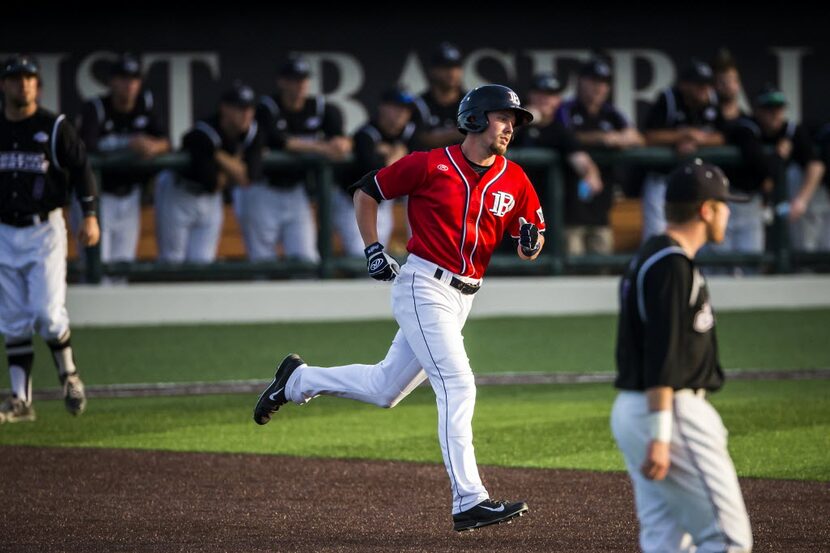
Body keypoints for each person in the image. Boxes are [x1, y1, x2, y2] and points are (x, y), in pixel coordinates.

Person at [253, 85, 545, 532]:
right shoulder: (431, 163)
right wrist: (372, 248)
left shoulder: (515, 178)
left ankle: (297, 381)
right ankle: (470, 499)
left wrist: (531, 242)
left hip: (464, 295)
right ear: (476, 118)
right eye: (504, 116)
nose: (511, 126)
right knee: (458, 385)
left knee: (384, 389)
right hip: (423, 285)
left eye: (514, 119)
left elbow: (534, 239)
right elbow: (366, 191)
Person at [611, 159, 753, 553]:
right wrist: (660, 435)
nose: (728, 212)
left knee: (667, 541)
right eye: (724, 205)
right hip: (671, 412)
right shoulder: (671, 265)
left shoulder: (651, 256)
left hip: (639, 409)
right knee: (727, 540)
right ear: (706, 210)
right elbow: (662, 352)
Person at [0, 55, 100, 423]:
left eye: (28, 78)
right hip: (3, 230)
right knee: (11, 319)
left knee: (46, 313)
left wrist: (88, 214)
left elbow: (82, 169)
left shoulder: (53, 126)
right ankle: (20, 400)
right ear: (4, 85)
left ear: (36, 85)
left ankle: (69, 375)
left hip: (43, 229)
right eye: (15, 79)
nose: (22, 85)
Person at [249, 56, 350, 262]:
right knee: (261, 261)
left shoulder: (319, 107)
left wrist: (342, 144)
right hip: (263, 190)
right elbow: (277, 140)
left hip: (296, 192)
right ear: (282, 82)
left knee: (307, 258)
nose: (300, 84)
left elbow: (341, 139)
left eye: (303, 79)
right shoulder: (268, 107)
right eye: (294, 79)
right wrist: (321, 148)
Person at [76, 53, 170, 265]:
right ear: (112, 81)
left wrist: (153, 146)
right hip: (98, 198)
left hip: (129, 197)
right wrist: (127, 144)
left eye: (134, 79)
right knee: (96, 264)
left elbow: (167, 142)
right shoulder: (96, 108)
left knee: (122, 266)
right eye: (123, 78)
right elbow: (87, 147)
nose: (129, 85)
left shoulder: (144, 105)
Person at [155, 81, 263, 264]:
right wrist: (234, 162)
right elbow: (212, 181)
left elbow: (248, 177)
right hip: (180, 194)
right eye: (240, 108)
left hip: (211, 201)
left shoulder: (252, 131)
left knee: (203, 260)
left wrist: (218, 155)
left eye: (249, 109)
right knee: (172, 259)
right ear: (225, 109)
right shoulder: (204, 131)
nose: (246, 114)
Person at [556, 58, 645, 256]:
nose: (599, 88)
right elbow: (562, 135)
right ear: (581, 82)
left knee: (601, 268)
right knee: (571, 268)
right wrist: (602, 138)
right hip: (569, 209)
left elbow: (637, 138)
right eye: (594, 81)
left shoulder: (610, 113)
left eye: (604, 83)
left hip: (601, 210)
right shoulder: (566, 109)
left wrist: (620, 138)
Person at [511, 72, 603, 255]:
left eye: (551, 95)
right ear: (531, 95)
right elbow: (495, 141)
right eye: (540, 93)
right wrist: (526, 118)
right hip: (508, 210)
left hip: (546, 217)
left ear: (558, 100)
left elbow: (581, 160)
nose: (545, 99)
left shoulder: (559, 132)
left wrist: (590, 174)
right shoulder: (512, 126)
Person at [641, 59, 725, 241]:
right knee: (658, 236)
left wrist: (699, 140)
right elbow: (648, 136)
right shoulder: (669, 99)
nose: (704, 89)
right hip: (664, 180)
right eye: (699, 84)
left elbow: (724, 135)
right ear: (684, 85)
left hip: (699, 184)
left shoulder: (712, 100)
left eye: (707, 84)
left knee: (701, 240)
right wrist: (681, 135)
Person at [339, 87, 417, 256]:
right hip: (353, 201)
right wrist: (397, 154)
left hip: (382, 201)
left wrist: (392, 153)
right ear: (382, 108)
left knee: (379, 257)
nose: (401, 113)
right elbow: (374, 172)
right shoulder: (366, 133)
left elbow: (421, 162)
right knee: (361, 255)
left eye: (405, 109)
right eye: (396, 107)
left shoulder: (409, 131)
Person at [748, 84, 826, 252]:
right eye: (769, 109)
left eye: (778, 108)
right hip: (757, 202)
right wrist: (775, 157)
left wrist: (801, 200)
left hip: (797, 203)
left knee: (807, 246)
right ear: (758, 110)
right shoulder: (750, 130)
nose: (775, 114)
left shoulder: (792, 130)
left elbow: (816, 165)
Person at [411, 42, 467, 150]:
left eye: (456, 67)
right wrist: (454, 133)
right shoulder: (419, 104)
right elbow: (417, 140)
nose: (452, 73)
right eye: (446, 67)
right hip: (428, 164)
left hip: (463, 164)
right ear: (433, 70)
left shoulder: (470, 101)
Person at [712, 49, 748, 124]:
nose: (727, 85)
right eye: (722, 81)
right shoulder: (708, 119)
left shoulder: (747, 120)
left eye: (731, 80)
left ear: (738, 84)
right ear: (714, 85)